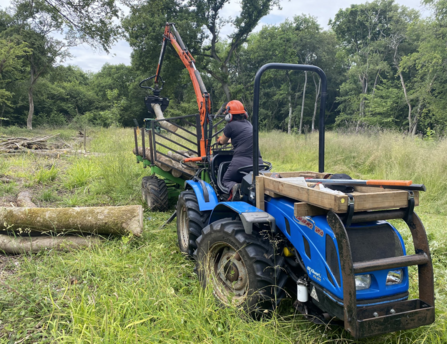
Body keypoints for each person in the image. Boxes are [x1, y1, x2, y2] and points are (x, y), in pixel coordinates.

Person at [217, 100, 263, 198]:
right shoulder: (249, 124)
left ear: (229, 116)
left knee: (225, 180)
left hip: (241, 162)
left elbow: (222, 142)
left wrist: (219, 140)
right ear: (244, 114)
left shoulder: (230, 126)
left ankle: (235, 187)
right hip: (258, 163)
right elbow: (241, 138)